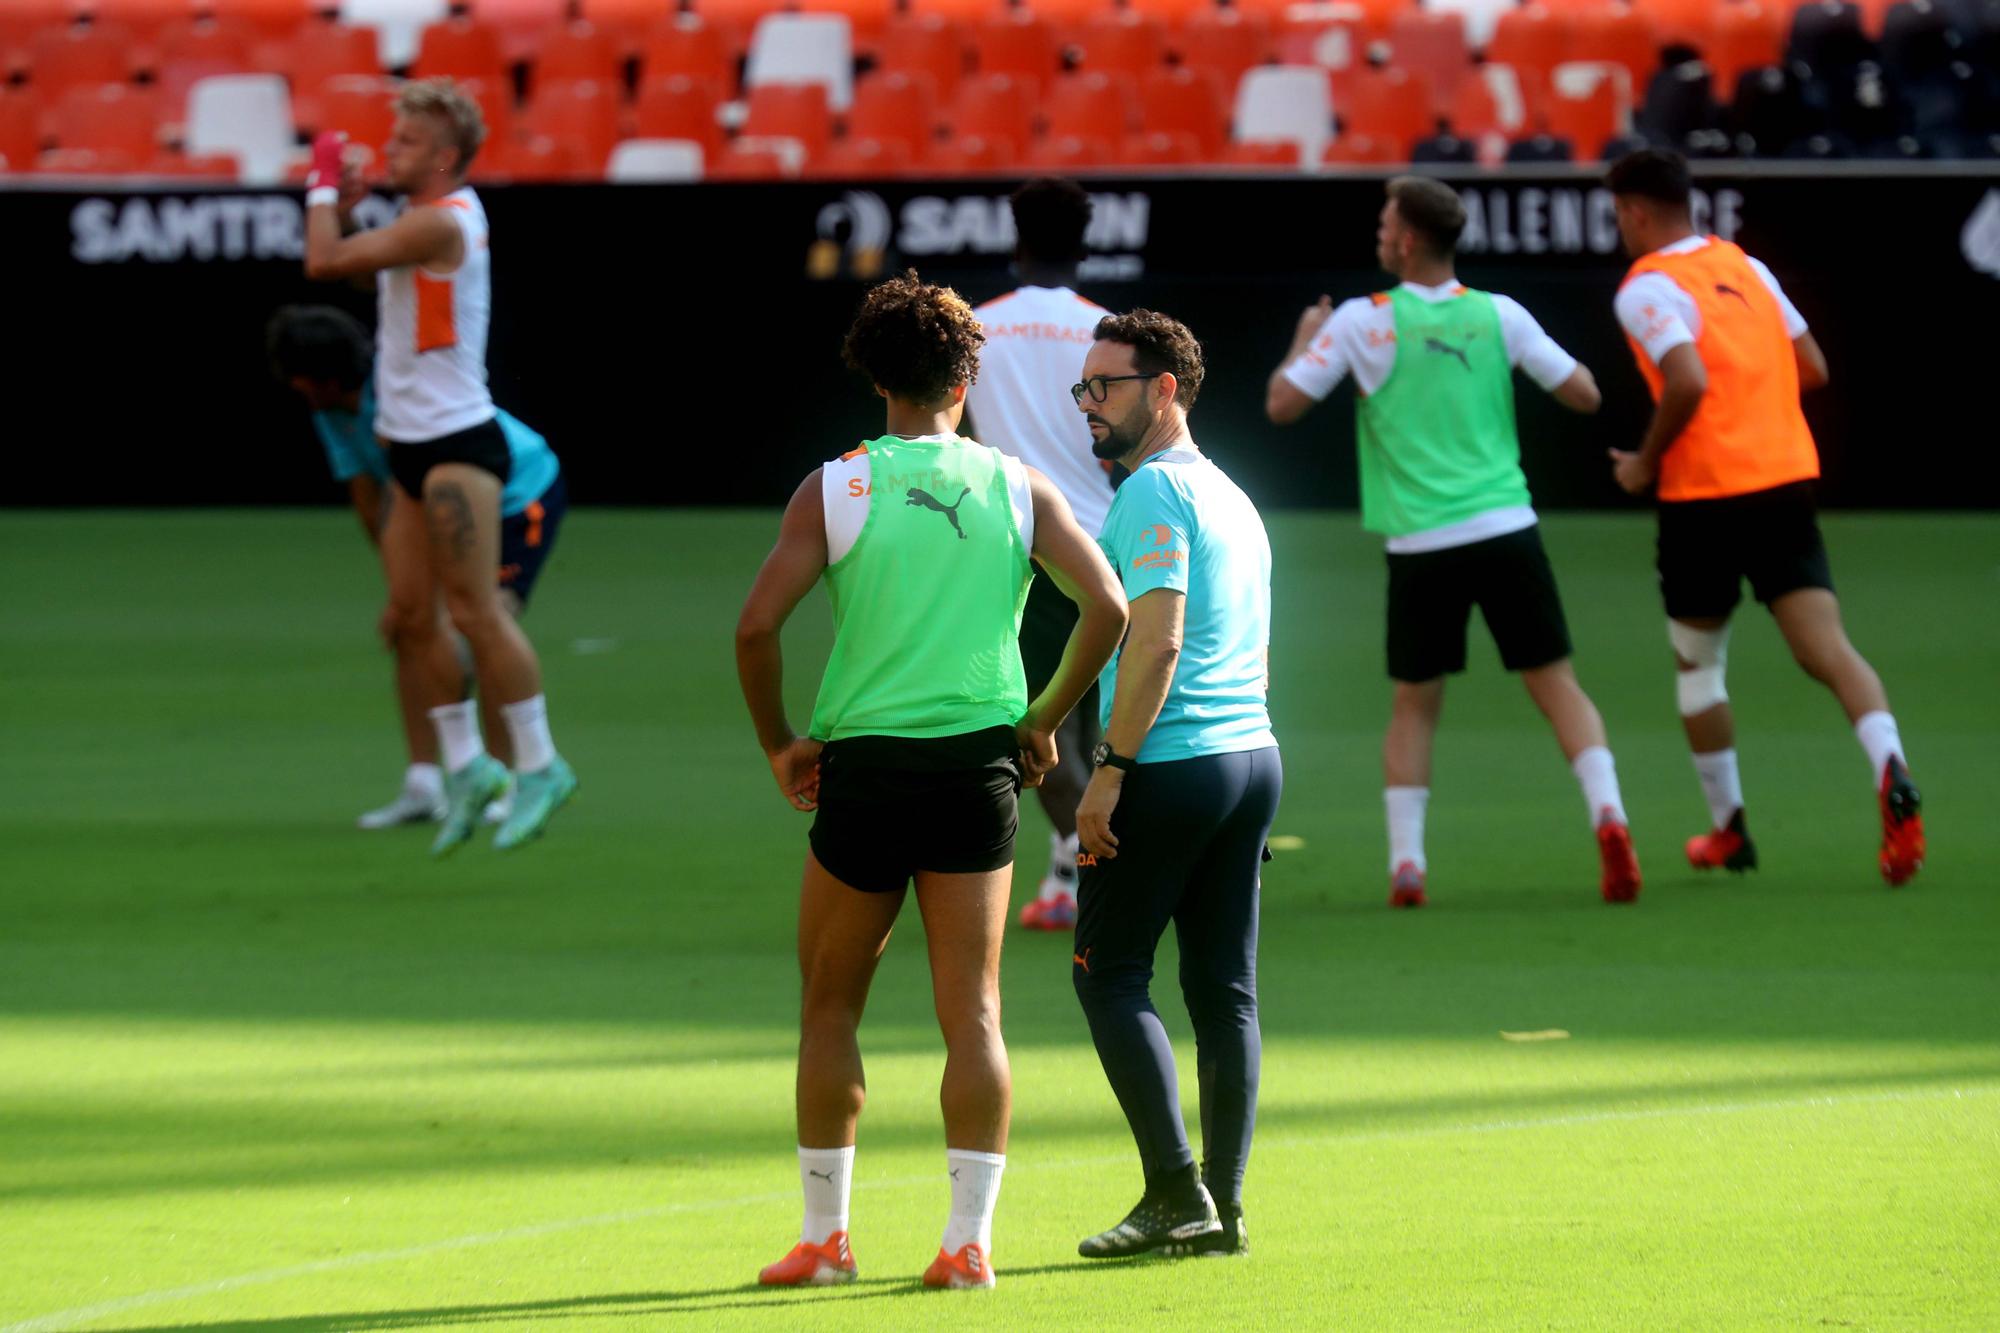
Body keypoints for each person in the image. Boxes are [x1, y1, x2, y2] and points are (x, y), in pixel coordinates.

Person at [735, 272, 1126, 1291]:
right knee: (976, 1012)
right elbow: (1108, 608)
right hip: (974, 770)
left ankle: (826, 1239)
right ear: (969, 372)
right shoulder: (1017, 486)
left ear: (871, 373)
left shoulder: (835, 485)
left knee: (829, 1009)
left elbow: (754, 626)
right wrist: (1040, 720)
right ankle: (967, 1242)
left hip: (861, 769)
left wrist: (782, 742)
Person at [1265, 176, 1641, 907]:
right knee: (1557, 686)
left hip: (1420, 544)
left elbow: (1283, 404)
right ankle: (1609, 814)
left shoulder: (1359, 322)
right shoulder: (1500, 314)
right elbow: (1586, 393)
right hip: (1507, 526)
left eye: (1384, 223)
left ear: (1407, 238)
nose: (1377, 234)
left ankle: (1408, 864)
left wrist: (1301, 344)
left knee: (1414, 705)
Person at [1604, 148, 1924, 885]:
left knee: (1698, 666)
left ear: (1635, 211)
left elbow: (1684, 378)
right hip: (1782, 479)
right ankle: (1891, 766)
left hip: (1704, 496)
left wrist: (1646, 461)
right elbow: (1810, 365)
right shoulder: (1747, 267)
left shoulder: (1646, 287)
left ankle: (1730, 829)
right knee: (1829, 650)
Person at [302, 78, 575, 855]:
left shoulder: (445, 222)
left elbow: (323, 261)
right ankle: (466, 769)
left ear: (447, 157)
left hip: (459, 444)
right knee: (413, 614)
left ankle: (540, 763)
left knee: (474, 614)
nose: (390, 151)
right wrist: (351, 205)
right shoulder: (415, 223)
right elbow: (358, 264)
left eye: (407, 144)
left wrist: (325, 184)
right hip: (407, 448)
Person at [1069, 309, 1280, 1261]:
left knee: (1108, 973)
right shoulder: (1231, 493)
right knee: (1223, 991)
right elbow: (1254, 651)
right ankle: (1222, 1207)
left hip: (1175, 758)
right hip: (1250, 756)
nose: (1088, 404)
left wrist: (1108, 770)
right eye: (1084, 388)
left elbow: (1154, 640)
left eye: (1105, 386)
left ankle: (1172, 1190)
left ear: (1165, 390)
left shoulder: (1153, 494)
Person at [266, 304, 568, 830]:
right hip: (431, 507)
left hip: (517, 496)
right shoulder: (330, 412)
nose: (293, 387)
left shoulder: (399, 386)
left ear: (322, 375)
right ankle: (424, 785)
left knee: (478, 627)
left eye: (296, 376)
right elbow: (369, 494)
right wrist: (402, 592)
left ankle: (506, 777)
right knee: (412, 628)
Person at [964, 177, 1118, 932]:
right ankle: (1074, 873)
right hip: (1115, 549)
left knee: (1032, 728)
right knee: (1090, 726)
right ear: (1085, 244)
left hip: (1022, 553)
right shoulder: (1112, 331)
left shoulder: (975, 329)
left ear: (1017, 241)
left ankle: (1095, 865)